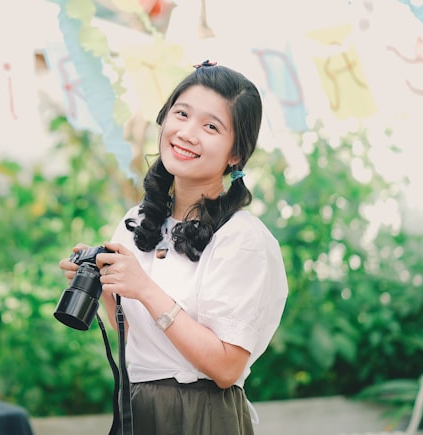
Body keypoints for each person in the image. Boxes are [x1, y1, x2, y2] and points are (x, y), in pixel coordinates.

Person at [60, 61, 289, 434]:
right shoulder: (138, 221)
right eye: (181, 114)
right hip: (139, 408)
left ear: (235, 154)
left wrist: (146, 289)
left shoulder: (242, 238)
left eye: (210, 126)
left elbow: (226, 367)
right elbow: (142, 344)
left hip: (202, 415)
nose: (187, 132)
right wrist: (105, 284)